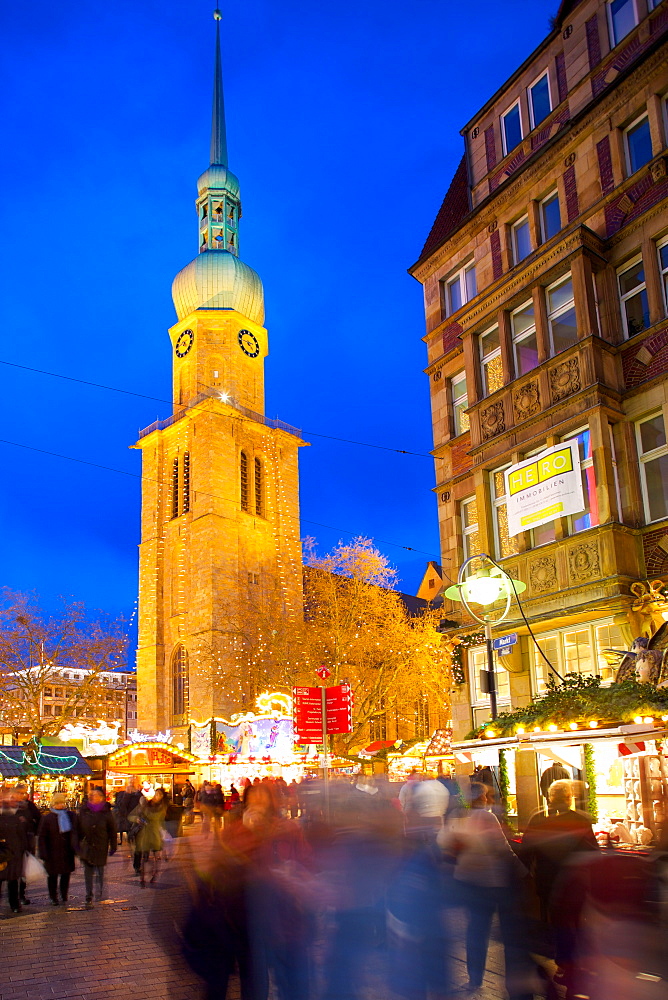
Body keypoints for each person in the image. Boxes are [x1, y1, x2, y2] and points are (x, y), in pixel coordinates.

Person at [439, 782, 533, 999]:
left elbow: (445, 844)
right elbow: (503, 849)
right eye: (487, 796)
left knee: (476, 929)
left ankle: (474, 975)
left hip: (468, 882)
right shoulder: (486, 817)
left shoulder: (457, 817)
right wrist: (524, 873)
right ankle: (515, 985)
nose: (490, 799)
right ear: (481, 797)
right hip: (493, 883)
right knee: (509, 933)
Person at [77, 787, 117, 908]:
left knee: (100, 869)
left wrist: (113, 845)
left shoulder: (106, 812)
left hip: (100, 845)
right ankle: (89, 895)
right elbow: (78, 828)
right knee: (88, 872)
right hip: (87, 846)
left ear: (101, 798)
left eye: (94, 795)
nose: (91, 797)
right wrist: (76, 844)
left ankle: (100, 890)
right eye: (90, 795)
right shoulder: (84, 810)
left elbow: (112, 830)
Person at [38, 792, 76, 906]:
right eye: (58, 803)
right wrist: (43, 853)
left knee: (65, 874)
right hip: (52, 852)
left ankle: (63, 894)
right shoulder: (48, 818)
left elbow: (75, 832)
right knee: (52, 876)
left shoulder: (70, 816)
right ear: (53, 804)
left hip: (66, 851)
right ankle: (53, 896)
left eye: (62, 803)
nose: (60, 805)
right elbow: (42, 836)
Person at [0, 785, 29, 915]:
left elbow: (21, 836)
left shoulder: (16, 816)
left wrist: (23, 850)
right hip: (2, 854)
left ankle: (15, 904)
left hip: (14, 854)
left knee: (13, 881)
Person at [130, 786, 167, 887]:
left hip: (155, 834)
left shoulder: (161, 807)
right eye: (156, 793)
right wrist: (137, 818)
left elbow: (159, 820)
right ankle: (142, 877)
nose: (156, 796)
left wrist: (164, 834)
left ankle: (154, 875)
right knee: (143, 857)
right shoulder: (146, 804)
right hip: (145, 833)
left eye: (159, 794)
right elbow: (131, 815)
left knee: (155, 857)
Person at [15, 783, 40, 906]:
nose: (22, 795)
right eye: (20, 793)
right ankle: (14, 898)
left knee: (24, 871)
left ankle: (21, 895)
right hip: (14, 843)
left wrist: (31, 825)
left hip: (27, 841)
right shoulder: (11, 806)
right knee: (13, 872)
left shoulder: (30, 806)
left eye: (24, 793)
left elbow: (39, 819)